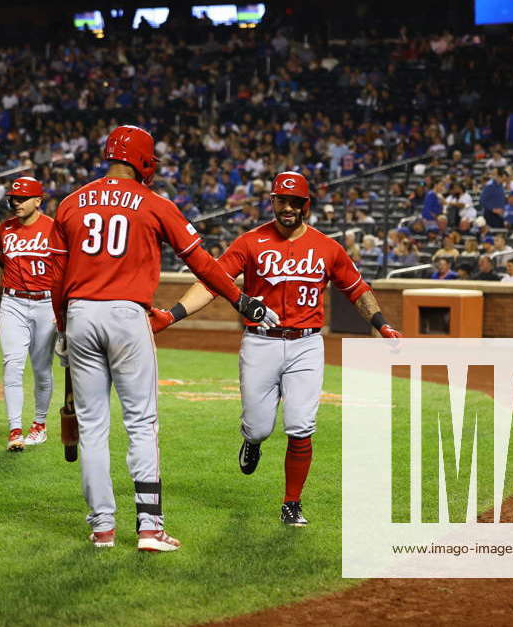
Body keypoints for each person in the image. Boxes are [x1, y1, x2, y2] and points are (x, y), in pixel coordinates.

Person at [48, 125, 275, 552]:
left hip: (79, 314)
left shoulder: (70, 203)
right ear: (144, 160)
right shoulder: (154, 203)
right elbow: (204, 265)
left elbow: (57, 277)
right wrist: (241, 300)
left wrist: (62, 325)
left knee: (93, 427)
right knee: (141, 422)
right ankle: (149, 528)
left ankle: (102, 529)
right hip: (126, 315)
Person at [149, 170, 401, 528]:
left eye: (295, 201)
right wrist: (171, 315)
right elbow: (213, 282)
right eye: (282, 200)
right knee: (259, 427)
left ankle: (291, 503)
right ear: (272, 202)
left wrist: (381, 324)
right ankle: (251, 440)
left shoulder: (328, 247)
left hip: (307, 344)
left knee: (301, 425)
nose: (288, 208)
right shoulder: (250, 242)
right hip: (261, 342)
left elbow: (357, 289)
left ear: (305, 206)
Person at [0, 177, 58, 452]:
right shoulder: (5, 229)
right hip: (13, 303)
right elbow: (3, 266)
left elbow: (64, 270)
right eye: (13, 198)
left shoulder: (55, 229)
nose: (15, 203)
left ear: (38, 201)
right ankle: (15, 429)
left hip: (46, 304)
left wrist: (65, 311)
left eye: (22, 198)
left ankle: (39, 425)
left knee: (42, 370)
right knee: (12, 364)